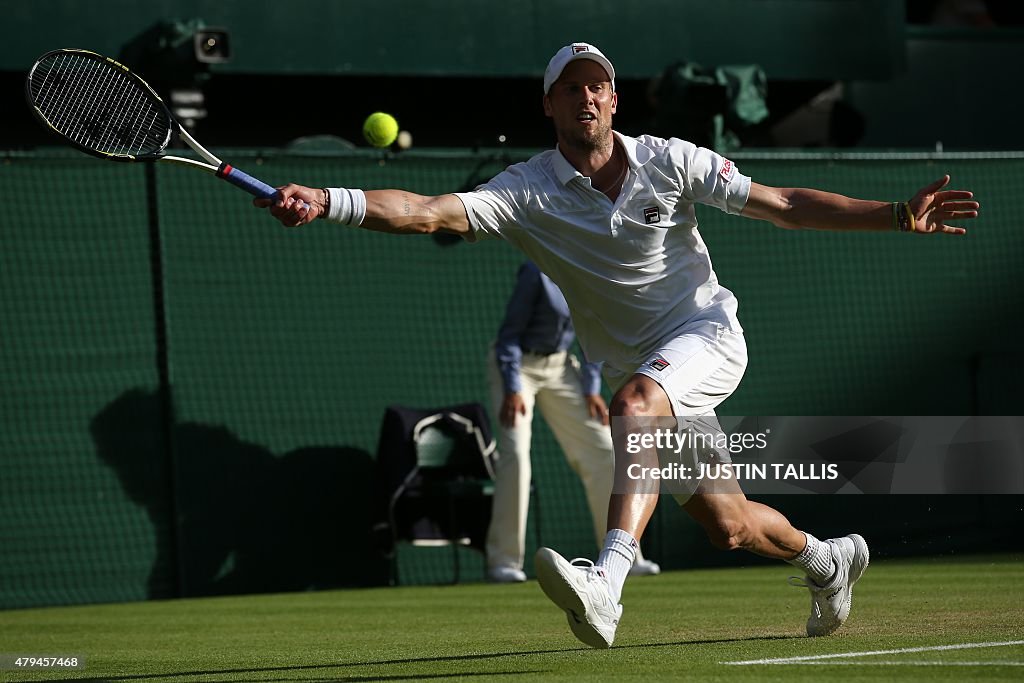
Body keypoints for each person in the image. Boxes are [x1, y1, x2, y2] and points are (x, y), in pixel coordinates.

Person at [255, 42, 979, 648]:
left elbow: (784, 204)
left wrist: (892, 214)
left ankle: (606, 584)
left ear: (614, 101)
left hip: (706, 336)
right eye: (571, 89)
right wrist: (329, 201)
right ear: (550, 106)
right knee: (729, 526)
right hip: (650, 370)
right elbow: (424, 212)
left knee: (635, 403)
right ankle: (830, 560)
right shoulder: (525, 190)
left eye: (598, 85)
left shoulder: (671, 158)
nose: (587, 97)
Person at [487, 260, 661, 583]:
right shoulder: (534, 273)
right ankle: (504, 561)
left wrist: (589, 388)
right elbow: (509, 336)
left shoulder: (590, 267)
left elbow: (592, 334)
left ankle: (624, 557)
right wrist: (512, 388)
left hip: (561, 368)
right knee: (516, 458)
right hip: (517, 368)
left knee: (605, 451)